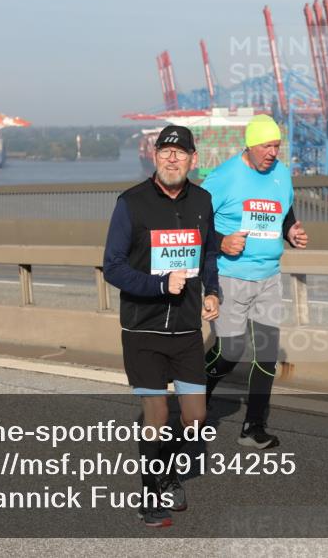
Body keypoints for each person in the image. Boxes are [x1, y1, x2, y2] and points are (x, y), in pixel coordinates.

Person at [103, 124, 220, 528]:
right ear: (155, 157)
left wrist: (212, 292)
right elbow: (113, 267)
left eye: (180, 152)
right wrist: (156, 285)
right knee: (155, 412)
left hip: (187, 329)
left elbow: (209, 256)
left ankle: (168, 472)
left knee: (195, 417)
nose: (172, 158)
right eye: (165, 151)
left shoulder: (203, 202)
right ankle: (151, 497)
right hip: (143, 329)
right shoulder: (131, 203)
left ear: (193, 159)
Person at [201, 114, 308, 450]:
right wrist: (221, 242)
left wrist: (290, 231)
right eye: (267, 146)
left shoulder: (281, 173)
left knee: (266, 354)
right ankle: (195, 395)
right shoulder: (222, 178)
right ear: (249, 144)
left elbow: (284, 211)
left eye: (277, 146)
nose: (273, 153)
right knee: (230, 352)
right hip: (231, 278)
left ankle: (253, 427)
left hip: (269, 277)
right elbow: (195, 225)